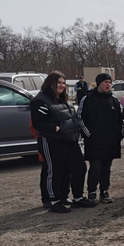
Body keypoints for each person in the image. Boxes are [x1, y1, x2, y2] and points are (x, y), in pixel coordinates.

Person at [31, 72, 96, 213]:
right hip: (52, 140)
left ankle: (77, 198)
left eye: (63, 83)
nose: (61, 85)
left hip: (70, 140)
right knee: (54, 171)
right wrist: (54, 128)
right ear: (50, 84)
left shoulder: (63, 99)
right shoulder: (41, 100)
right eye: (58, 82)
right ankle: (53, 201)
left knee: (79, 167)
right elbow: (38, 123)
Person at [78, 73, 124, 203]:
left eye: (110, 82)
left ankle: (104, 191)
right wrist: (88, 135)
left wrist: (119, 135)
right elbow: (81, 118)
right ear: (98, 83)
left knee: (106, 168)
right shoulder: (88, 98)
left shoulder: (114, 100)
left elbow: (120, 120)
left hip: (110, 141)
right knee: (95, 168)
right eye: (105, 82)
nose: (108, 85)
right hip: (94, 142)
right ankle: (92, 192)